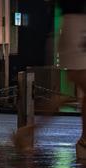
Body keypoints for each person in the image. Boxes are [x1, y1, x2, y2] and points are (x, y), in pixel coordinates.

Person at [13, 0, 86, 158]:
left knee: (76, 93)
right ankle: (28, 132)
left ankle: (28, 131)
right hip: (77, 28)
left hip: (75, 26)